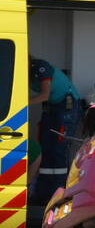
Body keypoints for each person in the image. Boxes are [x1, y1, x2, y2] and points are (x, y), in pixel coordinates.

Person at [28, 57, 81, 201]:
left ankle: (58, 194)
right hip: (52, 108)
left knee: (58, 149)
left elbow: (45, 95)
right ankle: (43, 193)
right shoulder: (27, 74)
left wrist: (22, 103)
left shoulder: (39, 66)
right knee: (45, 147)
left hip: (66, 107)